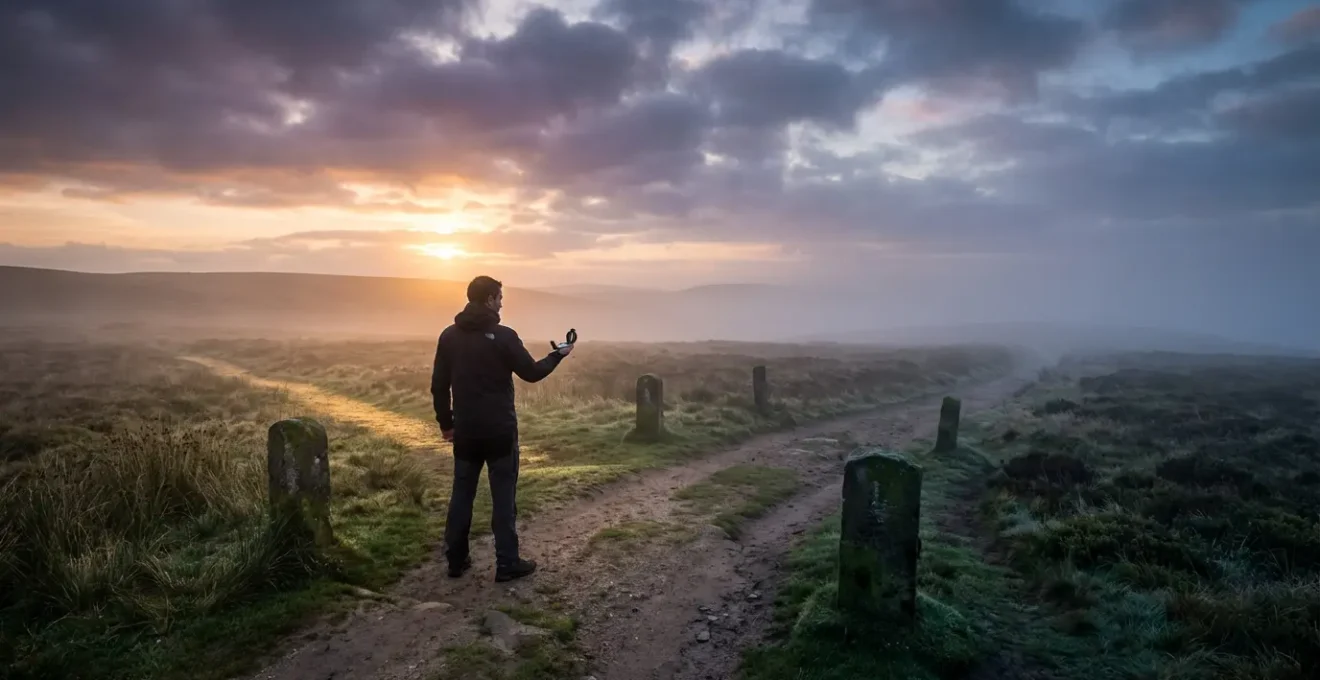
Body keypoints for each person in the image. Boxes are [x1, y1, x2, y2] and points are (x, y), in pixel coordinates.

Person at [431, 275, 573, 582]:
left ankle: (456, 560)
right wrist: (557, 355)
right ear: (488, 300)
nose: (502, 303)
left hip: (465, 431)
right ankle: (507, 563)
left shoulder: (449, 336)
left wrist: (446, 423)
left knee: (461, 495)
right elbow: (532, 373)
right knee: (503, 499)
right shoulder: (505, 336)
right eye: (499, 298)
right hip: (500, 432)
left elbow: (439, 385)